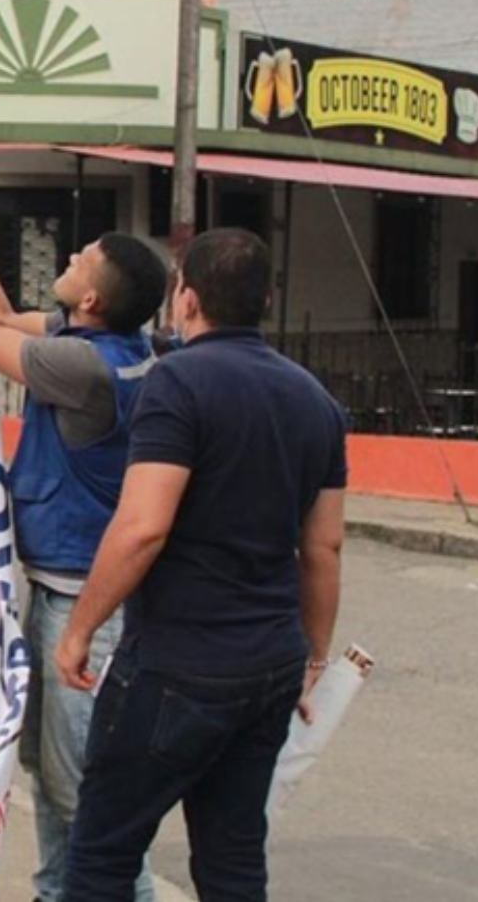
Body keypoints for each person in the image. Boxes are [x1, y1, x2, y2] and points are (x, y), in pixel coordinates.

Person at [55, 228, 348, 901]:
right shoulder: (317, 402)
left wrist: (79, 630)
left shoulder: (178, 382)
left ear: (185, 299)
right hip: (271, 665)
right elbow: (324, 547)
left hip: (178, 666)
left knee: (101, 856)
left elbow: (142, 528)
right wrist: (314, 655)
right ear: (266, 300)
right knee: (234, 860)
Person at [0, 195, 166, 902]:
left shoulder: (81, 367)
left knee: (82, 791)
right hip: (61, 590)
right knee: (52, 773)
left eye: (80, 259)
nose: (67, 260)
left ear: (92, 298)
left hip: (81, 608)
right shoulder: (107, 347)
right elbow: (1, 319)